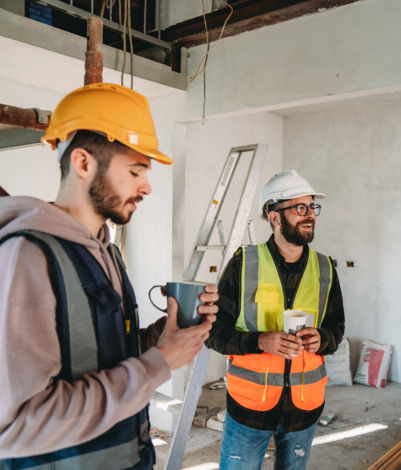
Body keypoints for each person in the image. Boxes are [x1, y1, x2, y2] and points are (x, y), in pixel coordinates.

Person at [0, 83, 218, 469]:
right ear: (83, 163)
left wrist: (165, 338)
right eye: (135, 171)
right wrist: (160, 362)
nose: (146, 186)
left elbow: (102, 358)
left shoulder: (106, 251)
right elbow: (16, 424)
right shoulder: (28, 255)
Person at [206, 169, 345, 469]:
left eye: (312, 207)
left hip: (304, 411)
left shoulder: (325, 269)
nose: (310, 215)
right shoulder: (244, 264)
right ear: (274, 216)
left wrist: (324, 339)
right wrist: (260, 341)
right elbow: (213, 332)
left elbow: (337, 329)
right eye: (300, 208)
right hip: (249, 410)